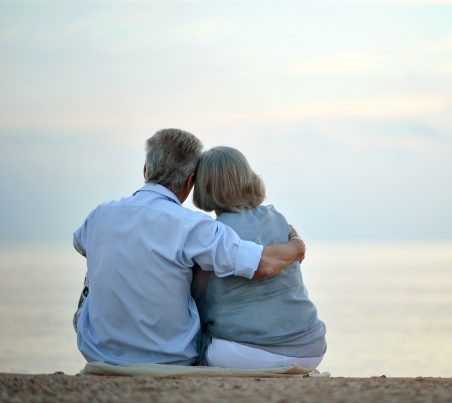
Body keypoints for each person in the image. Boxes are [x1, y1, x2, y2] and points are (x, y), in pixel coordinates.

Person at [72, 128, 305, 366]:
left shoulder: (100, 214)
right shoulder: (194, 226)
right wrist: (296, 247)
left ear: (145, 169)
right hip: (171, 357)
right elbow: (262, 264)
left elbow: (80, 245)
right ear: (190, 180)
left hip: (97, 351)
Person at [192, 146, 326, 369]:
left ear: (203, 186)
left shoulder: (215, 235)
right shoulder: (280, 220)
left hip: (243, 354)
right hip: (309, 350)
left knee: (191, 339)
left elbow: (196, 300)